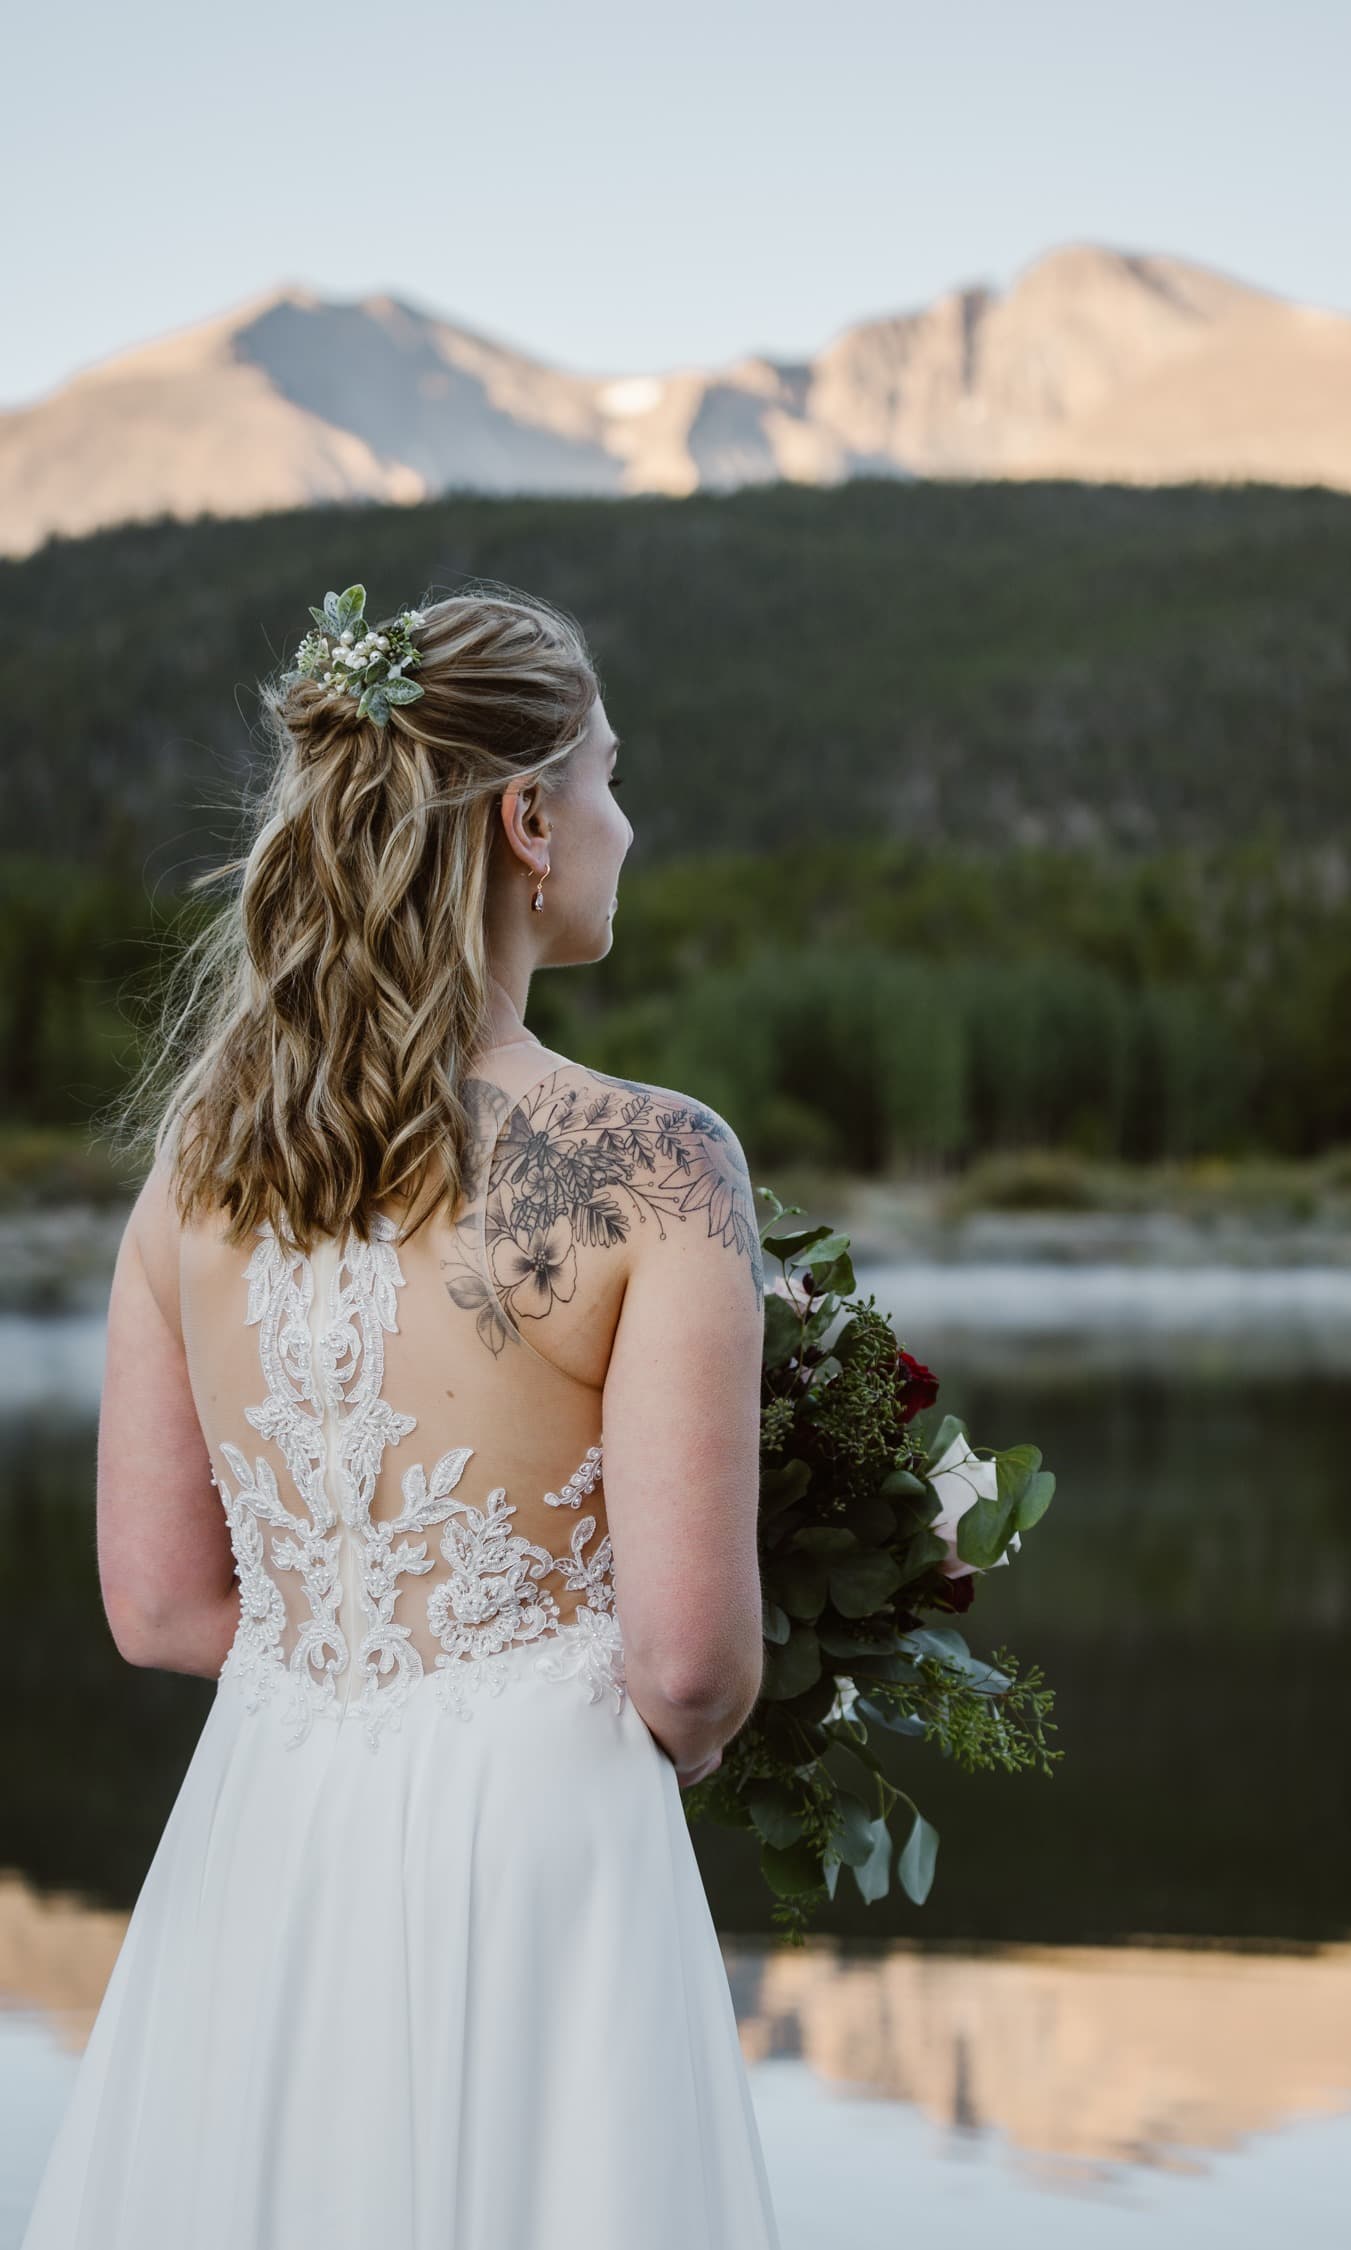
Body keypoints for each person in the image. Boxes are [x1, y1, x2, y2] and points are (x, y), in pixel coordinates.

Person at [20, 580, 783, 2249]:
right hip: (545, 1860)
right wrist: (544, 1700)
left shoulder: (202, 1161)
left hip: (268, 1831)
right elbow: (686, 1664)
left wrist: (357, 1690)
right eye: (606, 779)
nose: (622, 826)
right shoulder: (661, 1167)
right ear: (524, 818)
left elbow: (155, 1606)